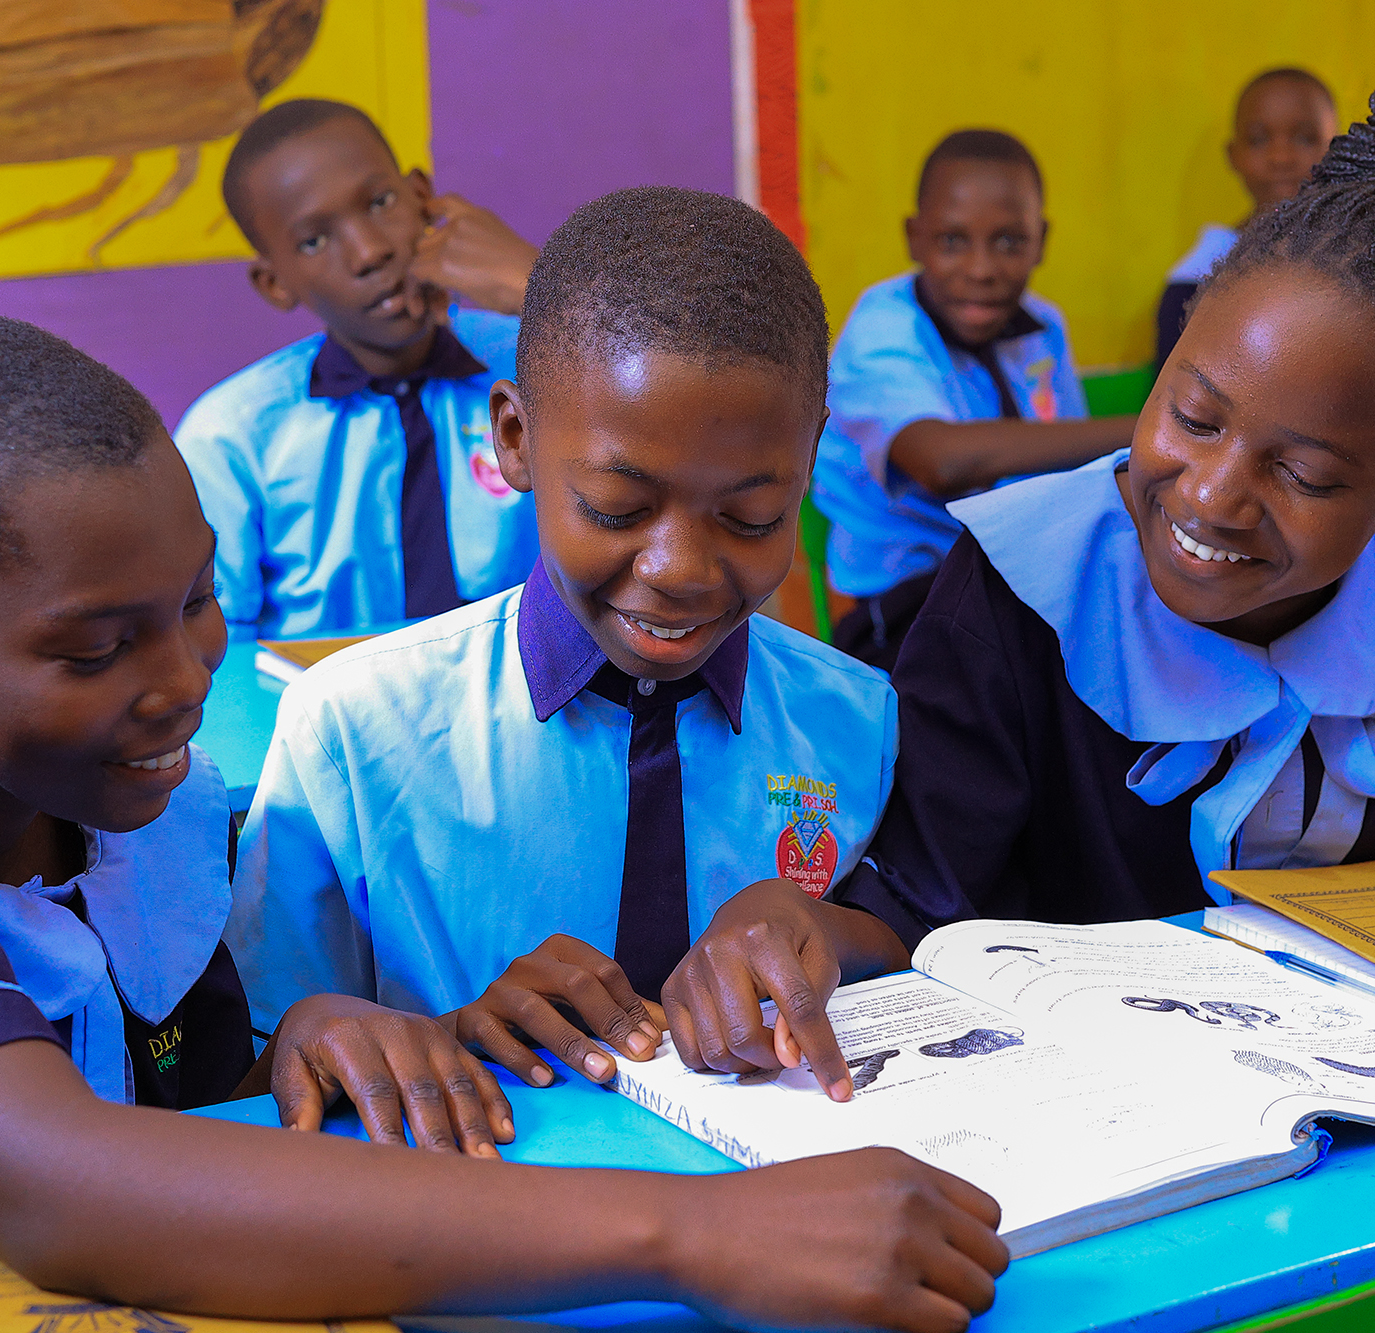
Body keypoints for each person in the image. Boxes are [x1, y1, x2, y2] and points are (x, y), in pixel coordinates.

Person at [0, 316, 1006, 1331]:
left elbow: (192, 1113)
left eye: (196, 600)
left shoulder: (140, 808)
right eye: (96, 647)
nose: (184, 682)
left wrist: (352, 1038)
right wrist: (700, 1234)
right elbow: (56, 1182)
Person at [662, 90, 1375, 1138]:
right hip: (1120, 1165)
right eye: (1191, 413)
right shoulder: (1019, 586)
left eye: (1305, 474)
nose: (1213, 493)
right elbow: (904, 911)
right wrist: (786, 919)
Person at [229, 185, 907, 1105]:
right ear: (513, 438)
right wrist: (447, 1035)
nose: (680, 569)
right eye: (617, 509)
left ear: (809, 460)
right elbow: (258, 1064)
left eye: (750, 516)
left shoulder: (853, 717)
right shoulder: (354, 730)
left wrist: (824, 932)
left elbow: (903, 967)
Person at [176, 99, 542, 639]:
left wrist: (537, 284)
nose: (369, 252)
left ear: (422, 199)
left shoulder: (547, 358)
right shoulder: (232, 436)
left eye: (380, 202)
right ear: (275, 282)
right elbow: (215, 654)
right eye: (314, 240)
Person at [811, 129, 1136, 670]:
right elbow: (943, 460)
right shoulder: (884, 327)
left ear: (1042, 239)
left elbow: (1071, 470)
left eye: (1009, 241)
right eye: (953, 241)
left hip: (1017, 581)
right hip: (904, 603)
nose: (982, 269)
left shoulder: (1041, 327)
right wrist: (1151, 427)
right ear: (915, 239)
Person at [1155, 68, 1337, 367]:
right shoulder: (1194, 281)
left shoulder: (1362, 260)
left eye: (1305, 139)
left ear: (1338, 149)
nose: (1281, 157)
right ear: (1232, 155)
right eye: (1258, 140)